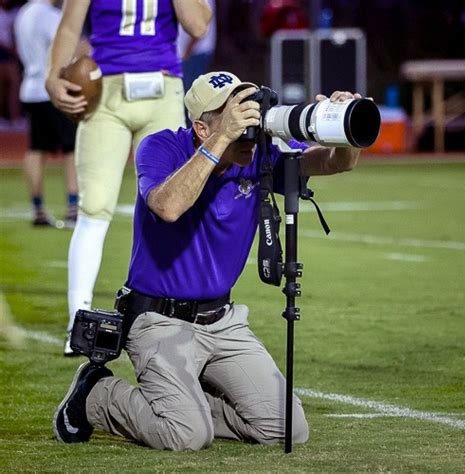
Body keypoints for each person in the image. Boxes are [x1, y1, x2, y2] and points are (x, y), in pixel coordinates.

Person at [53, 71, 363, 450]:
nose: (248, 124)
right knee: (185, 435)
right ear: (202, 127)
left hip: (223, 322)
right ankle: (97, 395)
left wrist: (342, 125)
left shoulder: (258, 156)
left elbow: (334, 163)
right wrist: (222, 139)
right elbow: (167, 206)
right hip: (159, 320)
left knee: (288, 429)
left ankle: (188, 401)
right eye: (235, 114)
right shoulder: (161, 147)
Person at [45, 0, 212, 355]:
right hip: (105, 91)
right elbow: (70, 27)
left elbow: (198, 25)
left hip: (163, 89)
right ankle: (79, 321)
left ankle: (175, 317)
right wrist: (53, 76)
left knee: (174, 205)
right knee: (94, 208)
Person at [14, 0, 79, 227]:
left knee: (36, 150)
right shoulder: (49, 14)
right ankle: (73, 208)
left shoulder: (25, 12)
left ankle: (38, 209)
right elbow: (69, 44)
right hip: (51, 90)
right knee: (72, 148)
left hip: (30, 88)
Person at [177, 0, 216, 92]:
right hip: (183, 53)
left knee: (191, 91)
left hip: (195, 53)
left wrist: (187, 51)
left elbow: (203, 23)